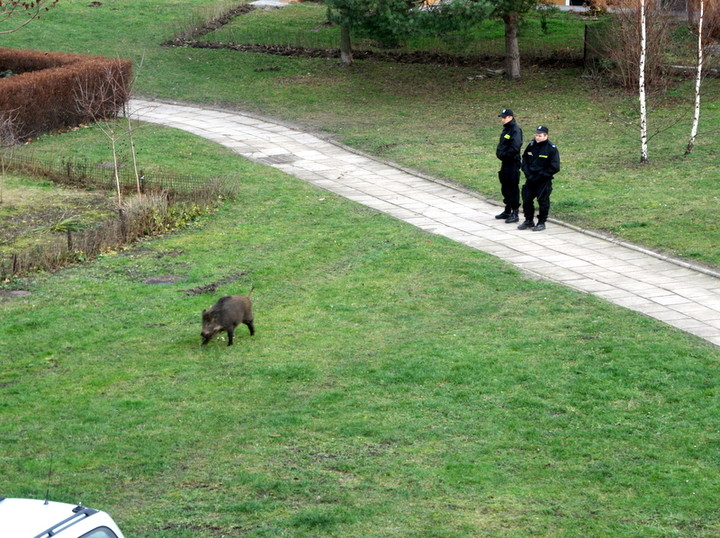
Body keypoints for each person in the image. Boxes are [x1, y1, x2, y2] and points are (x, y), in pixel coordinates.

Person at [518, 125, 560, 232]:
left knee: (543, 201)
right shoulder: (531, 145)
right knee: (526, 199)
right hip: (530, 178)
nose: (537, 137)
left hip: (543, 180)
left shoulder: (551, 149)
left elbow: (555, 167)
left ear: (546, 136)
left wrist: (541, 175)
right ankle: (528, 220)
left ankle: (541, 222)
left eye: (540, 135)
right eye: (536, 135)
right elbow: (525, 159)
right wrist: (527, 172)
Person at [495, 108, 523, 223]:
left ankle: (515, 212)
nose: (502, 119)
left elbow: (515, 147)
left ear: (511, 117)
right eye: (502, 117)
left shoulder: (515, 130)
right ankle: (507, 209)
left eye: (504, 117)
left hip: (512, 162)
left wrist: (505, 155)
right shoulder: (506, 130)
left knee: (512, 186)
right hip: (505, 162)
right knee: (505, 185)